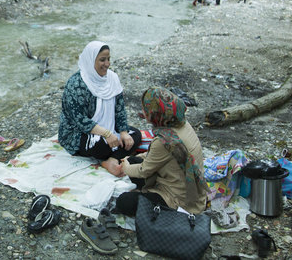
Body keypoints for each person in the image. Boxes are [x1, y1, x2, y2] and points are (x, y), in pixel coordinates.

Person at [111, 87, 208, 216]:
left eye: (146, 110)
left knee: (124, 202)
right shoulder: (183, 124)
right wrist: (132, 160)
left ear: (155, 114)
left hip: (181, 201)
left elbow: (143, 170)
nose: (144, 113)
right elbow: (161, 156)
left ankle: (163, 207)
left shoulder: (164, 141)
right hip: (189, 189)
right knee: (133, 160)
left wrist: (126, 167)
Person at [58, 41, 141, 176]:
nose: (107, 64)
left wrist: (124, 132)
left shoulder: (112, 78)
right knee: (101, 146)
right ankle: (110, 157)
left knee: (135, 135)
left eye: (108, 59)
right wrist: (106, 134)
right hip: (79, 132)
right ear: (91, 60)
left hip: (108, 129)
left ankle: (111, 160)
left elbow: (119, 109)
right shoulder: (76, 84)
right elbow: (80, 120)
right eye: (102, 60)